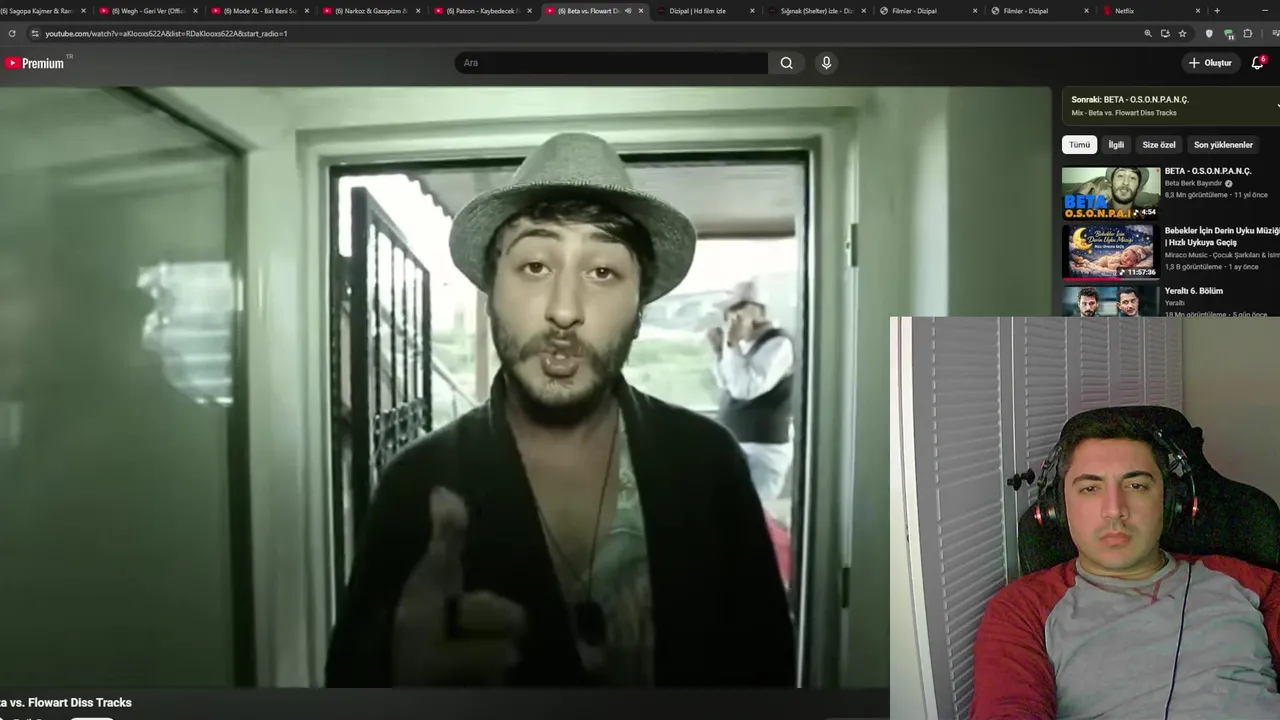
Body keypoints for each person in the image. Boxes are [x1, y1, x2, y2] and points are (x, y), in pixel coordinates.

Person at [325, 132, 795, 688]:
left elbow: (767, 672)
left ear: (639, 308)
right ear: (491, 292)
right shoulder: (416, 484)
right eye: (534, 266)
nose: (565, 310)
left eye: (603, 272)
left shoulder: (709, 463)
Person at [969, 411, 1280, 720]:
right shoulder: (1022, 608)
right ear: (1058, 509)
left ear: (1171, 503)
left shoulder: (1255, 584)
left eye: (1136, 486)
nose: (1115, 510)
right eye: (1090, 488)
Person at [706, 280, 796, 506]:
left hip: (762, 453)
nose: (729, 319)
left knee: (748, 514)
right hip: (739, 446)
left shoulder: (779, 344)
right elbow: (727, 384)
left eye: (734, 310)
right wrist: (721, 352)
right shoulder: (746, 345)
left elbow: (745, 388)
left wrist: (732, 345)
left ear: (755, 311)